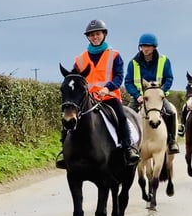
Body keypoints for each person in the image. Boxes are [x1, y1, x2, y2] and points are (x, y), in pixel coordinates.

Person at [56, 19, 140, 169]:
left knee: (121, 117)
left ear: (104, 35)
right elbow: (76, 79)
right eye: (91, 35)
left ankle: (128, 149)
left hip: (109, 97)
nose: (95, 37)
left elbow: (119, 76)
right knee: (69, 119)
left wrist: (107, 88)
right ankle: (64, 152)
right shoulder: (80, 59)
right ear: (88, 37)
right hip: (88, 99)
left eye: (98, 34)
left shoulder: (114, 55)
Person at [124, 32, 179, 154]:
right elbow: (128, 82)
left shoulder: (164, 61)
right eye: (142, 46)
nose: (145, 49)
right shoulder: (133, 63)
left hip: (158, 97)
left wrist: (161, 92)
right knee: (126, 116)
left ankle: (171, 141)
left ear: (154, 47)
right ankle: (127, 145)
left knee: (170, 112)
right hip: (139, 97)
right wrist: (137, 95)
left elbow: (169, 78)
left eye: (148, 46)